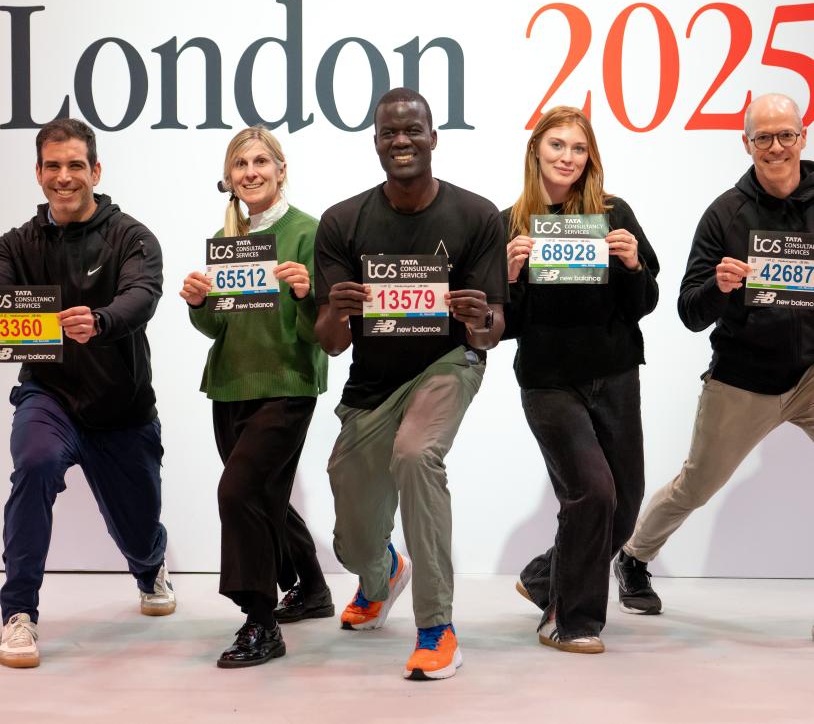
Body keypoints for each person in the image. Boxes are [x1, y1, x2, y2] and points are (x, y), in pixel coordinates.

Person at [314, 87, 507, 680]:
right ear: (376, 143)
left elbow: (492, 330)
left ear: (433, 138)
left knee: (416, 455)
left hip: (448, 363)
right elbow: (330, 342)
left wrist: (480, 321)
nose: (402, 140)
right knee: (352, 539)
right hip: (372, 385)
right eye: (389, 133)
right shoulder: (342, 221)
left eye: (412, 130)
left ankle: (437, 627)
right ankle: (382, 575)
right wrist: (337, 310)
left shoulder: (477, 216)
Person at [615, 93, 811, 621]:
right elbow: (688, 311)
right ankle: (633, 556)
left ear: (803, 136)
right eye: (764, 137)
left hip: (811, 374)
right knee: (696, 484)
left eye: (786, 135)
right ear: (746, 144)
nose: (776, 147)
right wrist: (720, 287)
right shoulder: (725, 214)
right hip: (744, 377)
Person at [0, 118, 174, 670]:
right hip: (48, 397)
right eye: (53, 166)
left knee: (139, 532)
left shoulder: (132, 237)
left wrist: (99, 322)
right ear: (38, 173)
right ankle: (17, 612)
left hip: (122, 407)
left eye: (75, 165)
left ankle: (150, 567)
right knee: (34, 464)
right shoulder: (14, 246)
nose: (64, 176)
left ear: (95, 171)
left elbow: (142, 295)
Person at [504, 106, 659, 653]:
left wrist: (634, 266)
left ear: (590, 156)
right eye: (557, 145)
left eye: (578, 148)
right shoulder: (510, 224)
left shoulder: (614, 214)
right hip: (549, 382)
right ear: (535, 151)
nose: (567, 157)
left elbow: (645, 303)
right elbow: (501, 326)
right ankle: (570, 619)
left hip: (614, 375)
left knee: (626, 504)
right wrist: (510, 277)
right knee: (593, 492)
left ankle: (545, 578)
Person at [180, 126, 331, 669]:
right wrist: (199, 302)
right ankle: (312, 588)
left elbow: (325, 330)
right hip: (229, 385)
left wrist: (306, 292)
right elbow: (217, 326)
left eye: (261, 161)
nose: (251, 172)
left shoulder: (310, 233)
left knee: (238, 490)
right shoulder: (228, 241)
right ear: (229, 178)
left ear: (281, 170)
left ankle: (260, 621)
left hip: (287, 385)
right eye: (241, 164)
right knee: (262, 495)